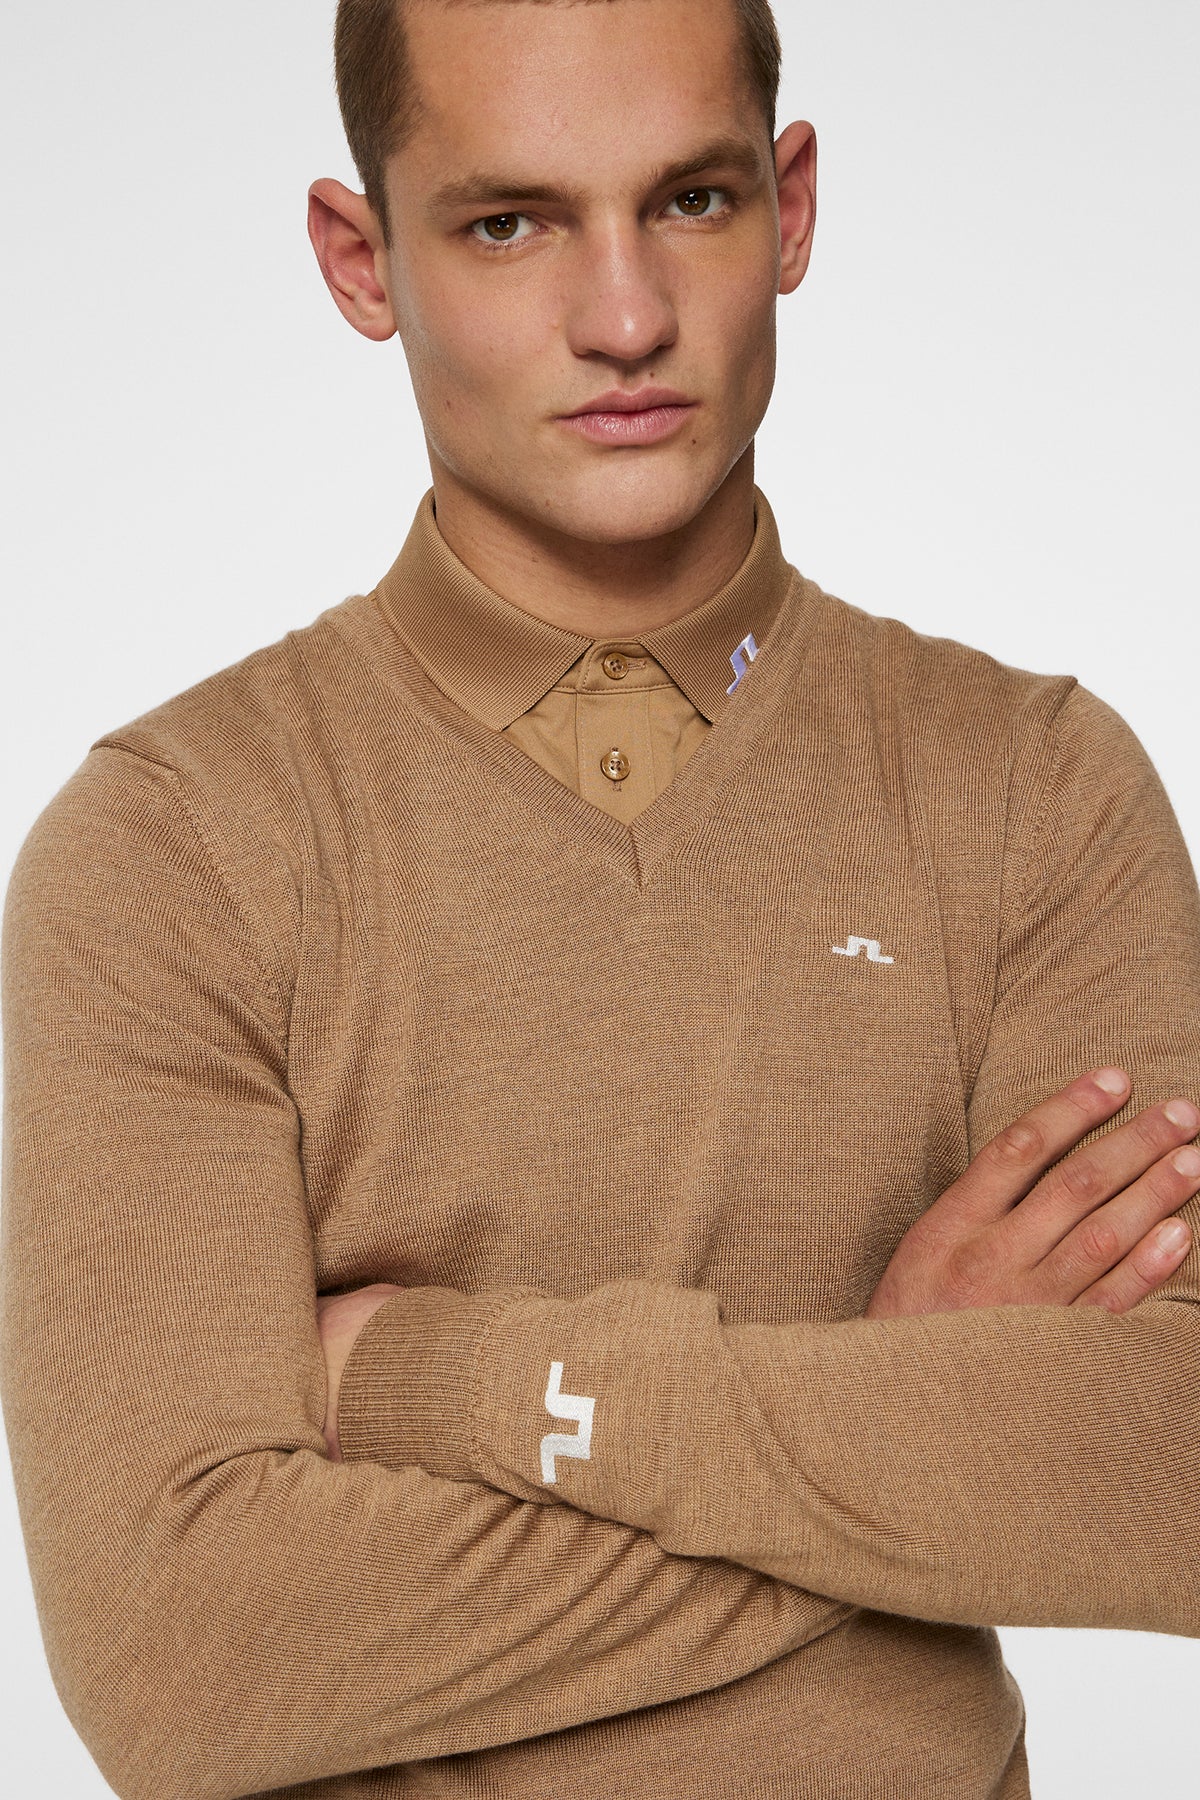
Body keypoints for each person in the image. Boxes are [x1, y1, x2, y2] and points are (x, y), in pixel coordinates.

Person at [2, 1, 1198, 1796]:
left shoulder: (1035, 788)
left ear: (791, 209)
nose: (626, 318)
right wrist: (903, 1402)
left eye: (692, 202)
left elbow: (1166, 1471)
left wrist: (433, 1381)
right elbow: (186, 1658)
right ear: (362, 260)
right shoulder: (173, 849)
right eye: (511, 224)